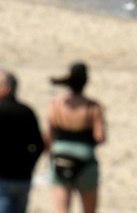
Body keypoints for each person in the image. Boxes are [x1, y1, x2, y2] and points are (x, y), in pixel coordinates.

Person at [43, 64, 103, 213]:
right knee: (89, 209)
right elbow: (100, 136)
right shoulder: (92, 106)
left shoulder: (56, 104)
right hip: (85, 157)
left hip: (60, 156)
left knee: (61, 209)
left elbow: (49, 135)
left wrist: (49, 154)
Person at [0, 70, 45, 213]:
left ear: (6, 88)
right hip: (23, 177)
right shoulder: (26, 111)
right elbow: (39, 144)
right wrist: (29, 164)